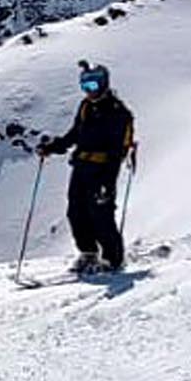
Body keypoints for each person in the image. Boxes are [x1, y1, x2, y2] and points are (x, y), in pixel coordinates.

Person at [40, 62, 135, 274]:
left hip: (101, 170)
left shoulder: (117, 113)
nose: (88, 90)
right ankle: (88, 253)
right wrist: (53, 147)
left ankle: (113, 260)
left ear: (104, 84)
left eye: (93, 85)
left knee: (101, 214)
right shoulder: (85, 107)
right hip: (81, 167)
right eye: (85, 85)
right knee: (76, 212)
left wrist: (108, 183)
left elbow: (116, 152)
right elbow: (75, 134)